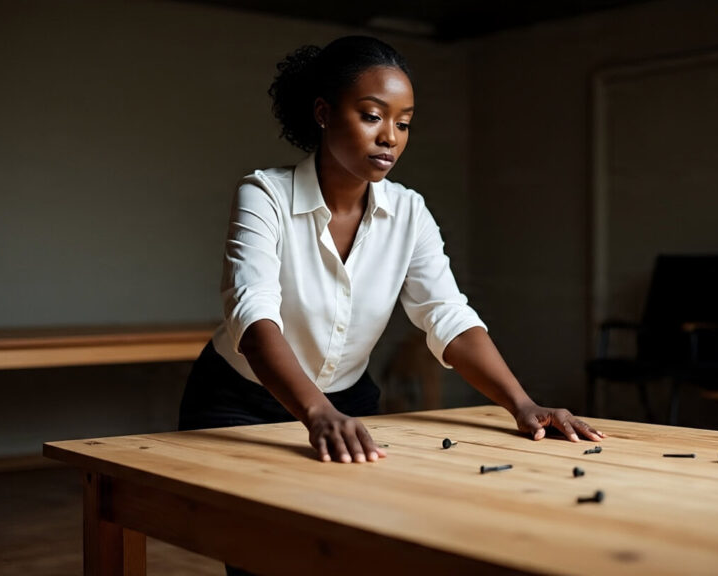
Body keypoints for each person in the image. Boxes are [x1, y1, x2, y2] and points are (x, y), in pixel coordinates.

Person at [179, 35, 605, 467]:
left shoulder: (409, 212)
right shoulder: (264, 195)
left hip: (347, 406)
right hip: (237, 403)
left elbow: (447, 315)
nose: (390, 137)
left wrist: (522, 404)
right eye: (372, 116)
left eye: (403, 124)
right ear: (323, 113)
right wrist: (317, 412)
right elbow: (253, 316)